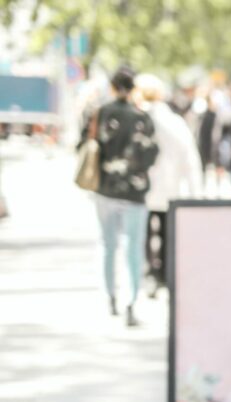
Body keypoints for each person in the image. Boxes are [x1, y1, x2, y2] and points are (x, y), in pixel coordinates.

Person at [80, 66, 160, 326]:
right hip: (134, 191)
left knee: (108, 244)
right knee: (134, 247)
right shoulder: (142, 117)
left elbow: (86, 144)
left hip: (105, 188)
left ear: (113, 87)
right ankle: (131, 301)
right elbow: (151, 154)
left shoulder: (101, 113)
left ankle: (110, 296)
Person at [135, 74, 202, 297]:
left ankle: (149, 273)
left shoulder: (138, 118)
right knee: (165, 231)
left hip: (142, 187)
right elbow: (189, 157)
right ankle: (162, 272)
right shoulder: (173, 120)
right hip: (169, 186)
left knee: (143, 232)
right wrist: (195, 191)